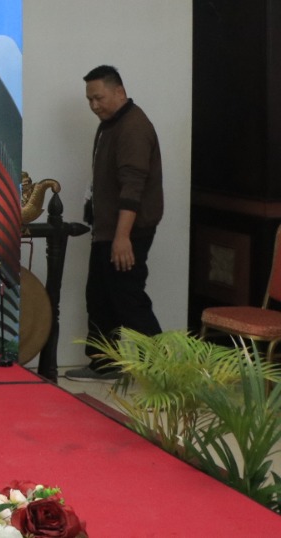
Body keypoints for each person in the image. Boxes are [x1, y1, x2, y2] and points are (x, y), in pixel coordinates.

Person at [67, 64, 164, 380]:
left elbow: (133, 187)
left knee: (128, 300)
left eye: (99, 98)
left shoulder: (133, 127)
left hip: (127, 232)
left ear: (119, 92)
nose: (94, 105)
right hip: (107, 231)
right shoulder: (111, 124)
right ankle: (104, 364)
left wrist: (123, 237)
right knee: (99, 298)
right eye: (89, 100)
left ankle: (164, 372)